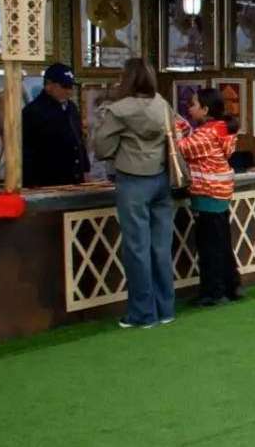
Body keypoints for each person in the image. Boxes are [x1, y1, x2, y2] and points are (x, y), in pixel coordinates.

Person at [92, 58, 175, 328]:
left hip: (133, 179)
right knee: (160, 247)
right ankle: (165, 309)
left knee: (137, 248)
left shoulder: (118, 110)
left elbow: (102, 148)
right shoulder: (163, 105)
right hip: (162, 177)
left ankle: (142, 313)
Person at [175, 88, 242, 306]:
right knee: (221, 243)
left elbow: (180, 148)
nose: (189, 108)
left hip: (207, 194)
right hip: (220, 194)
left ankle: (213, 292)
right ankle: (230, 286)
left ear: (205, 109)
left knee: (209, 247)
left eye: (193, 105)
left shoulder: (205, 134)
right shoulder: (220, 129)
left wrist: (174, 128)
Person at [22, 63, 89, 187]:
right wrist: (31, 184)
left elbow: (78, 140)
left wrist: (85, 168)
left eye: (71, 87)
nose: (69, 91)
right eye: (64, 86)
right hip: (48, 182)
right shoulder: (32, 112)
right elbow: (26, 152)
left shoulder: (71, 107)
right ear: (49, 85)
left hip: (75, 180)